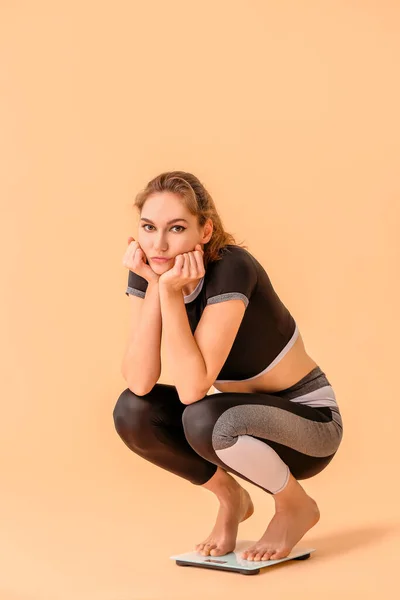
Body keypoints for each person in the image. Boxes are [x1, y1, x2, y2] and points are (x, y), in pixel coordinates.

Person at [114, 170, 343, 562]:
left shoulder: (231, 267)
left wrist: (167, 292)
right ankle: (230, 498)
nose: (159, 243)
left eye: (177, 228)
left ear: (205, 231)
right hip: (238, 428)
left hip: (311, 428)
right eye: (149, 227)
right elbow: (139, 381)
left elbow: (192, 390)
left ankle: (294, 506)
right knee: (132, 412)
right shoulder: (151, 270)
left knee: (203, 417)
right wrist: (154, 286)